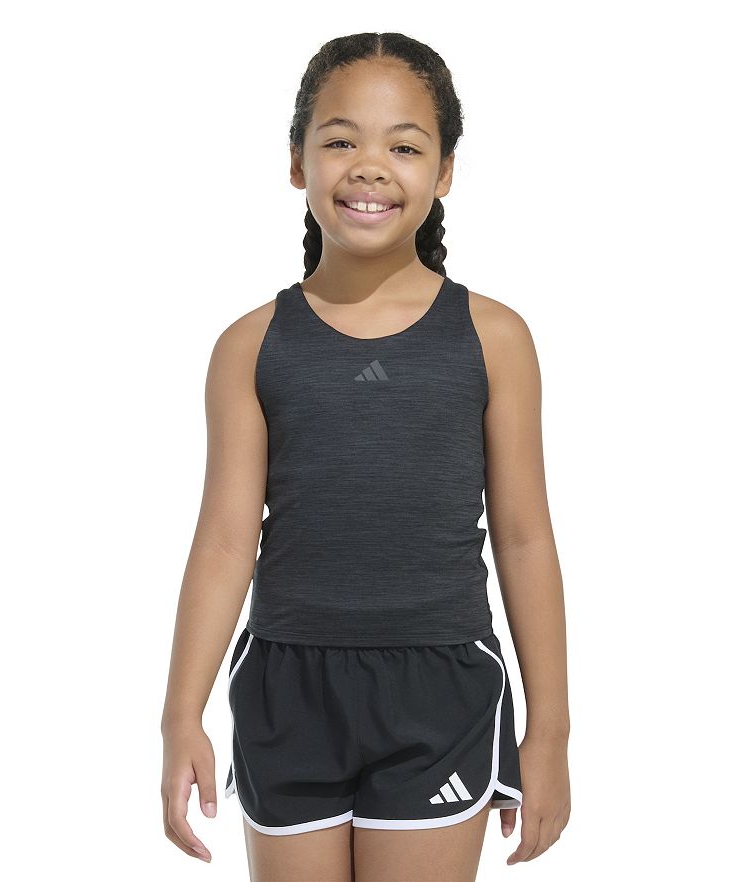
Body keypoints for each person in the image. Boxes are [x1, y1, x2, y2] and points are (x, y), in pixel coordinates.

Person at [160, 31, 571, 882]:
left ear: (445, 171)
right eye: (341, 140)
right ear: (297, 161)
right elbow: (226, 543)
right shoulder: (251, 345)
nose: (370, 167)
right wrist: (180, 715)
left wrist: (550, 732)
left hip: (441, 690)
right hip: (285, 690)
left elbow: (525, 537)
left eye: (405, 147)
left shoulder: (493, 338)